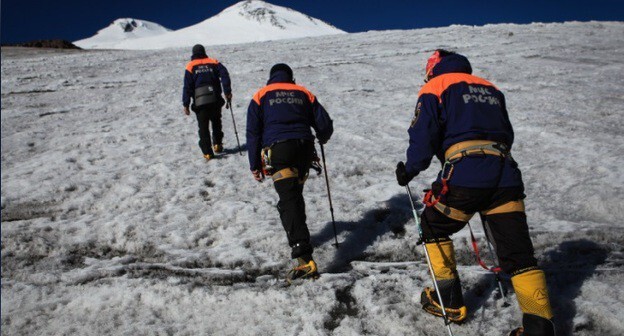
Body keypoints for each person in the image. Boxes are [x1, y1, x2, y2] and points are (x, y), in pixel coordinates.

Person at [395, 50, 555, 336]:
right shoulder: (490, 88)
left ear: (433, 68)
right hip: (505, 174)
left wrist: (410, 168)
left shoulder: (435, 87)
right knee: (519, 254)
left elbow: (424, 133)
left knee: (432, 225)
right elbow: (507, 132)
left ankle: (449, 301)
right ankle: (539, 326)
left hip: (465, 174)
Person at [246, 63, 333, 282]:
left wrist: (254, 164)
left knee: (288, 200)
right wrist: (322, 136)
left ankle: (304, 258)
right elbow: (325, 123)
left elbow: (253, 133)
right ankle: (301, 240)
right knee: (294, 196)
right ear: (290, 77)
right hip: (304, 149)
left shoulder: (261, 95)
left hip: (279, 150)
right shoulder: (303, 92)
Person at [182, 44, 232, 160]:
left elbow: (187, 86)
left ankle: (208, 152)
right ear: (204, 52)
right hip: (214, 98)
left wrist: (186, 103)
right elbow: (225, 75)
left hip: (200, 102)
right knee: (216, 122)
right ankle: (218, 144)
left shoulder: (190, 66)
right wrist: (227, 91)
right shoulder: (214, 62)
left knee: (203, 127)